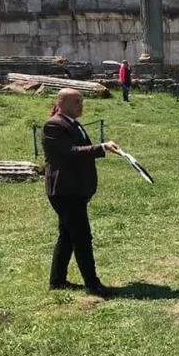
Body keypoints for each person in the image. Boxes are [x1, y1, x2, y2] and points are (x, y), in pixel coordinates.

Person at [42, 88, 120, 296]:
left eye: (81, 100)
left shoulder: (73, 123)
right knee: (81, 237)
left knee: (67, 236)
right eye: (76, 101)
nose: (81, 104)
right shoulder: (54, 125)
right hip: (65, 190)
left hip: (76, 189)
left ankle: (57, 281)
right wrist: (101, 147)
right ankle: (93, 284)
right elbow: (71, 152)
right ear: (61, 102)